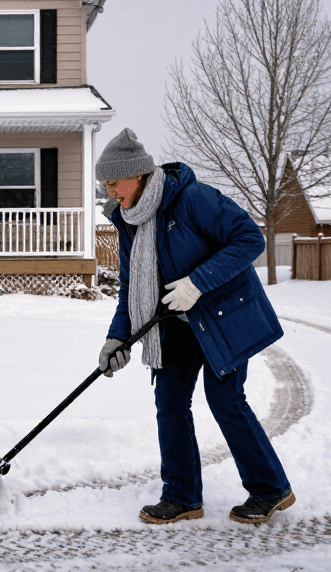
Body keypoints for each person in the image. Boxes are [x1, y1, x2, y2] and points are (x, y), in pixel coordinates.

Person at [96, 128, 294, 525]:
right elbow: (132, 285)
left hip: (222, 317)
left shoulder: (192, 198)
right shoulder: (129, 221)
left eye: (116, 183)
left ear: (139, 174)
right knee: (169, 401)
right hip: (176, 324)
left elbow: (249, 239)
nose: (111, 192)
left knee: (225, 400)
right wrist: (117, 337)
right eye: (107, 185)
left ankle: (270, 488)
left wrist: (196, 283)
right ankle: (182, 496)